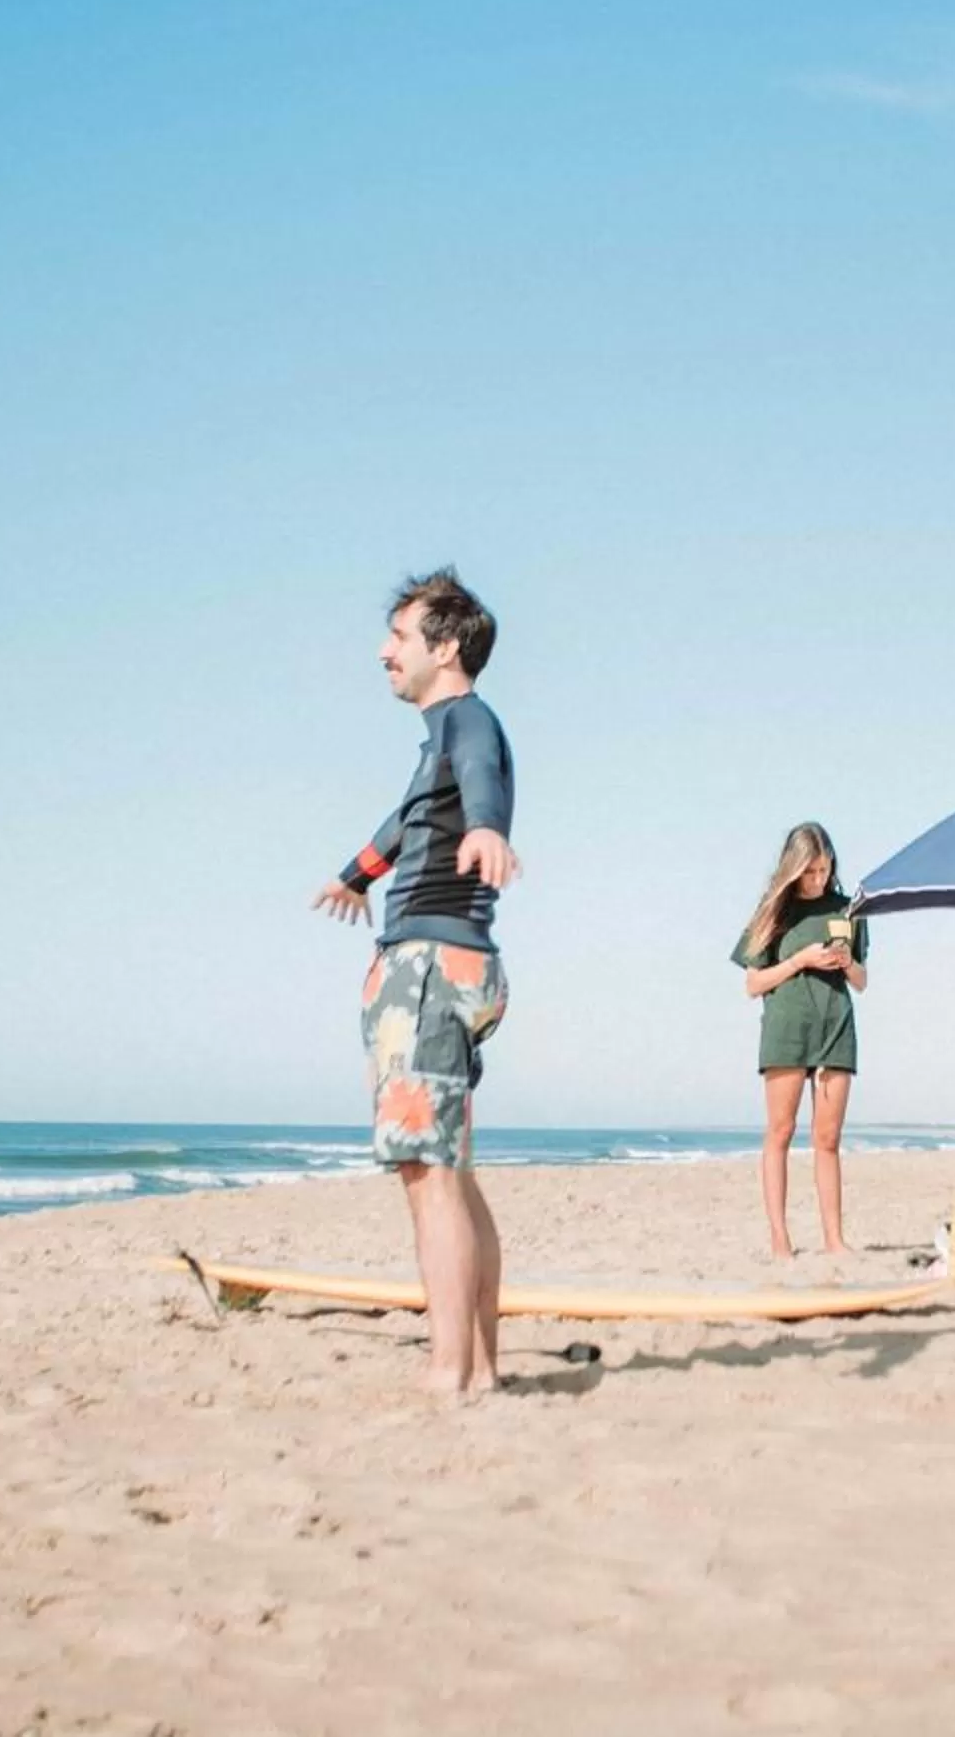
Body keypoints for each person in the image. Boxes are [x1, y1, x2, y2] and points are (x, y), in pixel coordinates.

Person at [310, 569, 520, 1400]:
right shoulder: (438, 738)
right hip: (450, 962)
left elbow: (480, 779)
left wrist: (489, 829)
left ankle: (452, 1374)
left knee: (427, 1177)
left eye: (399, 638)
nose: (383, 653)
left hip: (429, 965)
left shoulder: (466, 721)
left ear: (446, 647)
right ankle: (483, 1367)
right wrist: (354, 877)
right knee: (449, 1173)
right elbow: (405, 821)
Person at [729, 822, 869, 1259]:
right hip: (787, 1028)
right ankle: (779, 1239)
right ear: (793, 869)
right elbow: (753, 985)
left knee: (827, 1139)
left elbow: (862, 982)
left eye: (824, 870)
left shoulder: (848, 910)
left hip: (836, 1026)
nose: (818, 879)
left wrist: (846, 963)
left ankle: (834, 1239)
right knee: (781, 1132)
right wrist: (800, 960)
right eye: (810, 871)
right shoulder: (772, 912)